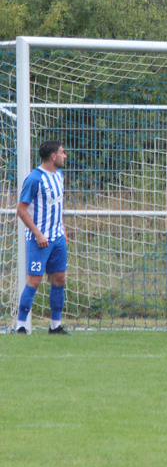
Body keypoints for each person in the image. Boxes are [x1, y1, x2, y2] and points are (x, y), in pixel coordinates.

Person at [14, 141, 70, 335]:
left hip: (57, 238)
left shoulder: (59, 176)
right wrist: (38, 234)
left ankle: (55, 326)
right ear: (53, 156)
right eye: (62, 152)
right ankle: (21, 326)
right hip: (39, 240)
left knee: (59, 278)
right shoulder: (34, 179)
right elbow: (21, 210)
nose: (65, 156)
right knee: (34, 281)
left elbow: (57, 206)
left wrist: (62, 229)